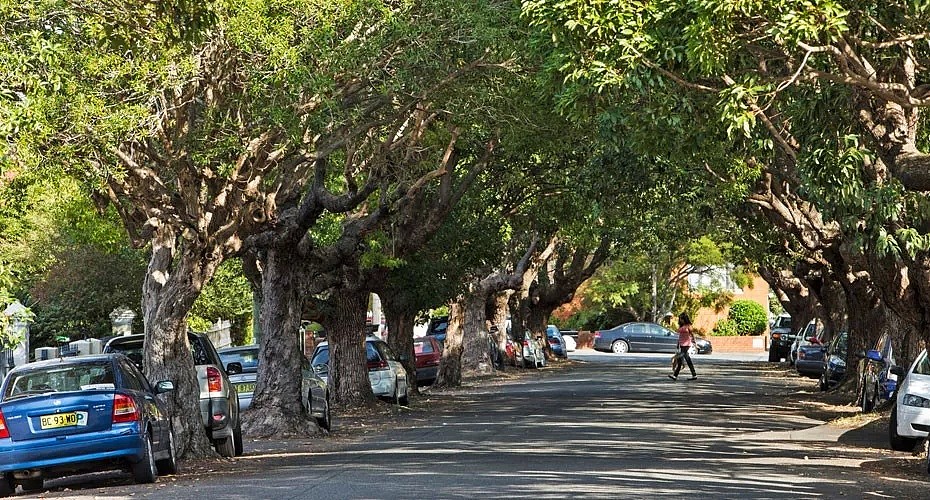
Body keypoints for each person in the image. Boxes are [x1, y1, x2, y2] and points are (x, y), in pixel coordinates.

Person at [668, 312, 697, 381]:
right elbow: (680, 336)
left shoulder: (689, 326)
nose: (680, 320)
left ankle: (675, 375)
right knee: (685, 361)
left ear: (685, 319)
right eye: (680, 319)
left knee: (680, 357)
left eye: (681, 319)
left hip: (687, 345)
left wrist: (695, 343)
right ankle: (693, 375)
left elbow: (692, 335)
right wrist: (678, 344)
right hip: (681, 344)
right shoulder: (681, 326)